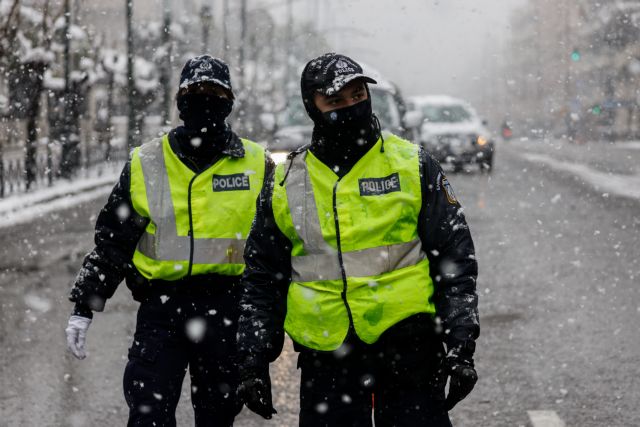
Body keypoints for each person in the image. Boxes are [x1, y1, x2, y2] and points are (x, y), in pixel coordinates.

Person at [236, 53, 480, 426]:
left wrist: (461, 343)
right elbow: (263, 275)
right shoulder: (287, 180)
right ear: (312, 108)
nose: (350, 107)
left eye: (357, 95)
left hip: (409, 346)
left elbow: (454, 255)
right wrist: (253, 359)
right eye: (334, 101)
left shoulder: (412, 163)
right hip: (327, 354)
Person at [64, 55, 272, 426]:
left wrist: (266, 326)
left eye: (214, 92)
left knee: (218, 417)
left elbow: (276, 249)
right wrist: (85, 304)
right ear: (179, 100)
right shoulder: (147, 161)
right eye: (195, 91)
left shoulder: (256, 164)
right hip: (162, 311)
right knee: (148, 413)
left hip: (227, 311)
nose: (204, 99)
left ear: (229, 102)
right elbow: (113, 240)